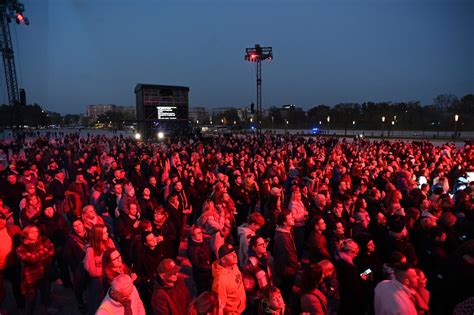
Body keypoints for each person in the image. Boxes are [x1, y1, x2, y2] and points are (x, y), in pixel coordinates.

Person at [16, 224, 55, 315]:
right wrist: (44, 251)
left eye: (36, 231)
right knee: (31, 299)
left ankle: (46, 310)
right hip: (31, 277)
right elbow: (31, 259)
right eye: (32, 232)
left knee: (46, 294)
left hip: (44, 272)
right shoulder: (21, 248)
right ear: (25, 234)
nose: (35, 234)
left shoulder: (43, 239)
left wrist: (39, 254)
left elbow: (51, 250)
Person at [212, 243, 246, 314]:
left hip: (242, 307)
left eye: (234, 252)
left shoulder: (234, 265)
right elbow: (220, 306)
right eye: (231, 254)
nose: (235, 255)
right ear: (223, 260)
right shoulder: (220, 281)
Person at [272, 210, 298, 304]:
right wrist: (295, 265)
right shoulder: (283, 237)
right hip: (287, 270)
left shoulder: (288, 232)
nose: (293, 218)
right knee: (286, 291)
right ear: (284, 222)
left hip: (288, 267)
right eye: (290, 218)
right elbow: (289, 255)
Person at [187, 225, 213, 294]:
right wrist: (210, 268)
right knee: (202, 291)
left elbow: (210, 252)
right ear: (193, 236)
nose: (201, 234)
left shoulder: (204, 242)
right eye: (198, 233)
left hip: (209, 272)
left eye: (201, 232)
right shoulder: (192, 249)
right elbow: (197, 264)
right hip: (201, 275)